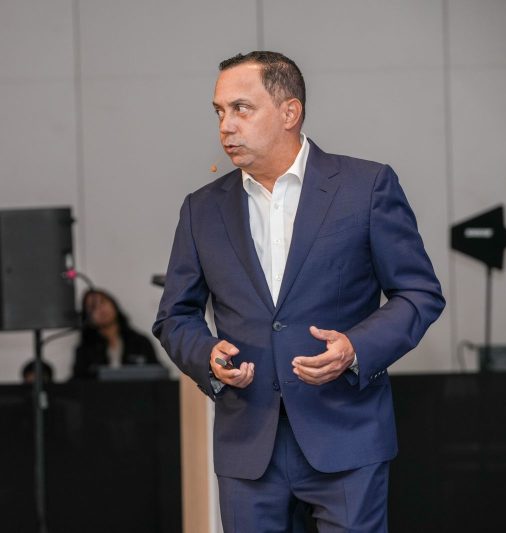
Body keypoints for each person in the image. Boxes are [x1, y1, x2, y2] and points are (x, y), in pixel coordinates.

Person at [153, 51, 445, 532]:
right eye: (219, 111)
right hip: (247, 447)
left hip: (347, 435)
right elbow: (174, 316)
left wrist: (355, 348)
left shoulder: (365, 187)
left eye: (241, 108)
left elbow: (419, 292)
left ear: (289, 112)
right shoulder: (201, 209)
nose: (226, 126)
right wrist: (206, 355)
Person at [73, 288, 159, 379]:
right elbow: (78, 381)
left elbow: (158, 374)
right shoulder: (85, 349)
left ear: (113, 304)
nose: (101, 309)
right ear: (87, 317)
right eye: (93, 307)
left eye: (103, 302)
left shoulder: (140, 342)